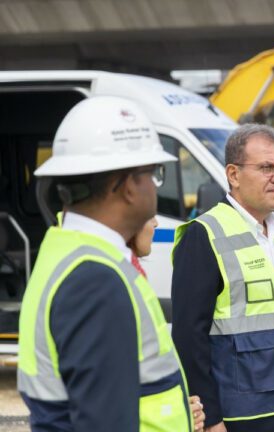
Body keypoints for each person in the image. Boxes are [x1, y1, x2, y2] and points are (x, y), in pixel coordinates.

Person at [17, 96, 193, 431]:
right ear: (128, 187)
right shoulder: (95, 280)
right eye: (154, 173)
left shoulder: (67, 251)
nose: (156, 186)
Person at [172, 124, 274, 432]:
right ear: (233, 175)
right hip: (236, 418)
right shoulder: (203, 235)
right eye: (266, 168)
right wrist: (209, 418)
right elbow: (188, 337)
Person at [127, 216, 207, 432]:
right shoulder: (104, 281)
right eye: (148, 215)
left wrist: (180, 411)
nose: (156, 223)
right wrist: (177, 415)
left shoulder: (127, 273)